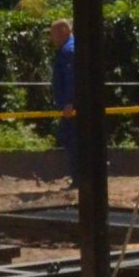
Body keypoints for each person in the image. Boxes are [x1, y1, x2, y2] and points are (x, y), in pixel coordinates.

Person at [46, 18, 79, 179]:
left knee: (73, 140)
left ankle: (78, 177)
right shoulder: (68, 50)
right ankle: (77, 176)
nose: (51, 38)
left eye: (53, 34)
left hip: (71, 108)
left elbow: (72, 79)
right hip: (70, 106)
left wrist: (70, 102)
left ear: (64, 31)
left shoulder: (69, 51)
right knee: (71, 140)